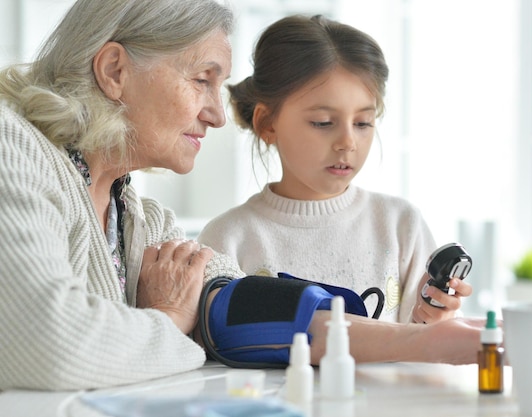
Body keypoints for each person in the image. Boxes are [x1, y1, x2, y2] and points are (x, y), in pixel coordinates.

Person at [0, 1, 483, 392]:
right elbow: (50, 343)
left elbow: (249, 314)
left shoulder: (143, 221)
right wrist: (169, 321)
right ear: (114, 70)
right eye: (202, 79)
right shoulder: (12, 145)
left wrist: (429, 341)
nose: (215, 113)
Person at [197, 14, 471, 324]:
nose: (348, 142)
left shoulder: (401, 226)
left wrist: (438, 317)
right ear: (267, 123)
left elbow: (427, 344)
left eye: (363, 123)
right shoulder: (229, 239)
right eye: (323, 123)